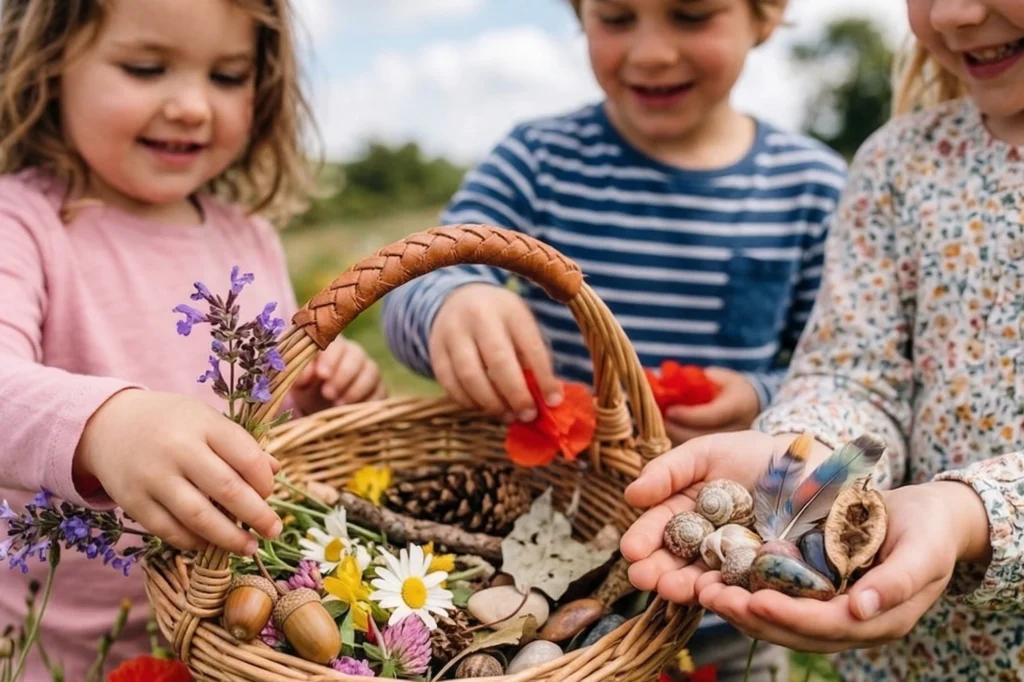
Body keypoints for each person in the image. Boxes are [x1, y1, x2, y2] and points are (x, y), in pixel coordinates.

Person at [381, 0, 846, 678]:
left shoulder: (811, 190)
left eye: (691, 16)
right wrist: (455, 299)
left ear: (765, 16)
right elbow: (410, 282)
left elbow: (832, 369)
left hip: (722, 580)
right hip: (546, 574)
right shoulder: (538, 162)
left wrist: (756, 395)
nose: (651, 52)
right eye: (617, 18)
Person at [620, 1, 1024, 679]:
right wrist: (801, 457)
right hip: (906, 663)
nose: (955, 13)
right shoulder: (901, 164)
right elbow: (857, 373)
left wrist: (969, 514)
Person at [0, 0, 386, 678]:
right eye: (146, 68)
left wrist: (321, 397)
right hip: (57, 655)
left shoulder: (249, 238)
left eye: (229, 76)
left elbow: (265, 426)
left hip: (234, 643)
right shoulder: (24, 221)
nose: (192, 107)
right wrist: (105, 426)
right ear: (51, 62)